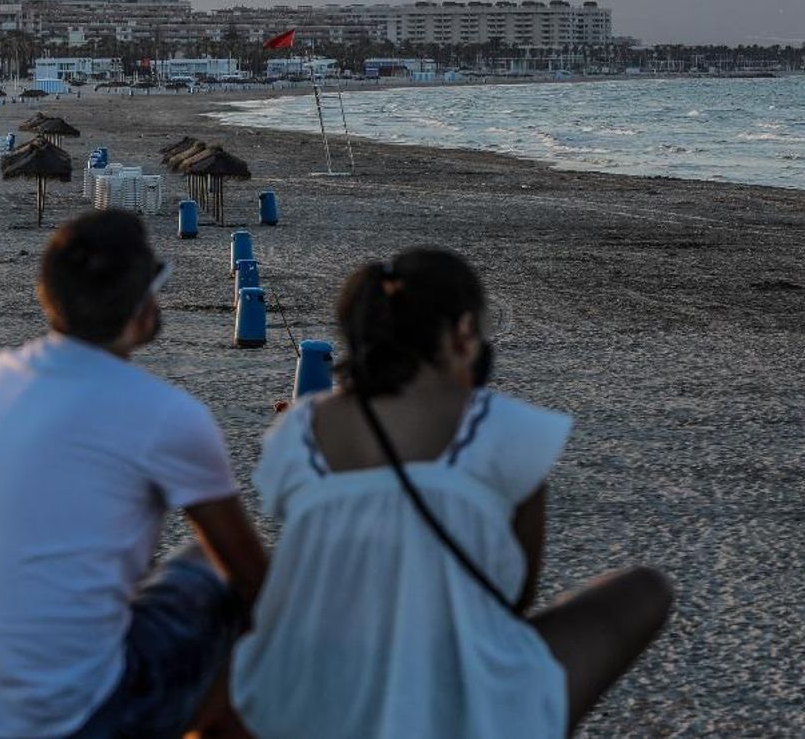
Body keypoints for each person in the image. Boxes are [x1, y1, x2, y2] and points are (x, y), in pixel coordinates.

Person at [232, 248, 672, 738]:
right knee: (645, 590)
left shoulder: (294, 433)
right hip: (459, 707)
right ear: (464, 334)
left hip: (305, 698)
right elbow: (514, 599)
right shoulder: (510, 431)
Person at [0, 210, 267, 739]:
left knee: (195, 574)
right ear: (144, 305)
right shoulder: (166, 416)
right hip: (69, 718)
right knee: (239, 604)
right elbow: (252, 577)